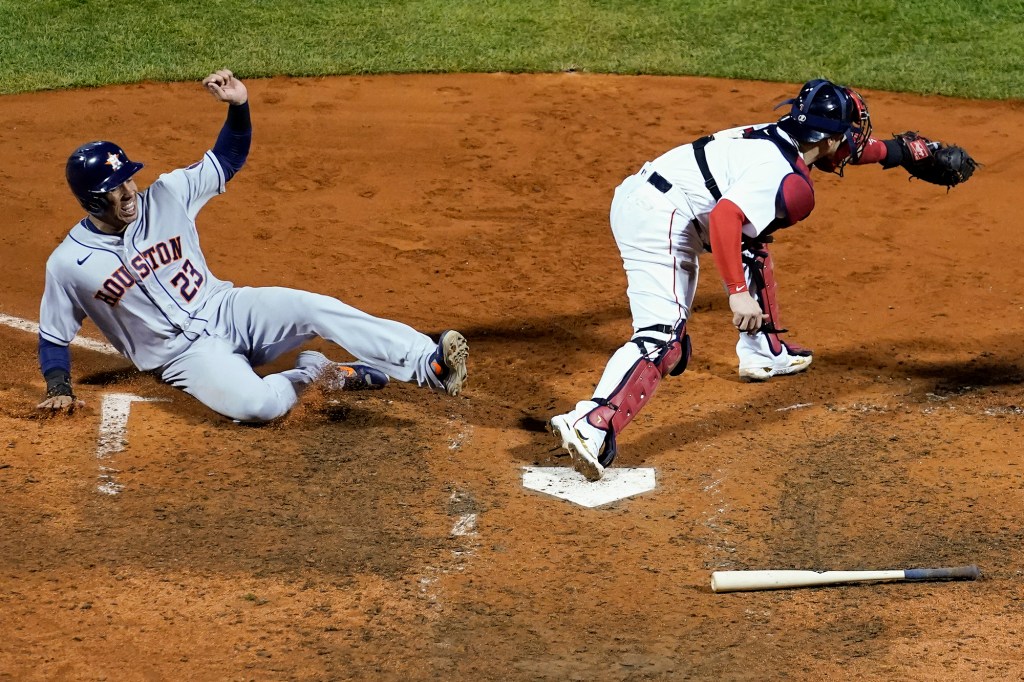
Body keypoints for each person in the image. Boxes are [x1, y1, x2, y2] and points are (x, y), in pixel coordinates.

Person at [550, 78, 928, 481]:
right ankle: (591, 425)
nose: (854, 140)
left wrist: (900, 152)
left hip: (648, 199)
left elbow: (840, 151)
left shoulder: (780, 135)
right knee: (662, 339)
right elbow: (725, 217)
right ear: (830, 138)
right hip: (661, 220)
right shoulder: (786, 178)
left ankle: (761, 347)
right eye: (850, 132)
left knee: (754, 240)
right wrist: (737, 294)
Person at [37, 69, 468, 422]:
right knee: (258, 407)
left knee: (313, 307)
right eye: (116, 188)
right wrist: (58, 388)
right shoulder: (69, 265)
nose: (129, 191)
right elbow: (54, 335)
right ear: (93, 200)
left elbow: (227, 158)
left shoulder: (168, 194)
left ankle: (427, 364)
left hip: (228, 308)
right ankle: (317, 372)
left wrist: (239, 107)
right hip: (185, 357)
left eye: (129, 178)